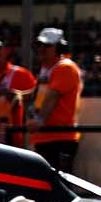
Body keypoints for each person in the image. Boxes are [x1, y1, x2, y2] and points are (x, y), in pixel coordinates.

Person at [29, 27, 82, 172]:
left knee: (57, 186)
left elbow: (52, 97)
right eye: (40, 45)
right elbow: (41, 94)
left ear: (59, 47)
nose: (42, 49)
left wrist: (39, 121)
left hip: (59, 138)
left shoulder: (65, 68)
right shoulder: (47, 68)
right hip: (45, 137)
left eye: (47, 46)